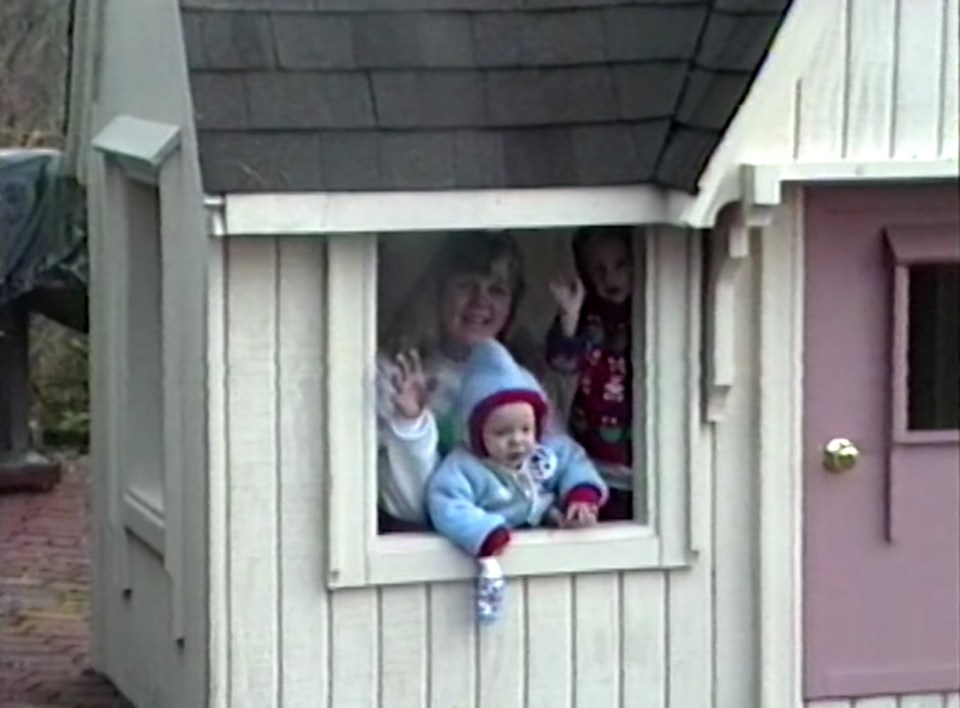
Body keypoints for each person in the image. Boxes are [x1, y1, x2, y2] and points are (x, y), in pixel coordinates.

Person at [426, 339, 607, 622]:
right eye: (502, 432)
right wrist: (483, 533)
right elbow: (445, 502)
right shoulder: (465, 468)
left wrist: (581, 494)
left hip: (546, 543)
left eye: (526, 428)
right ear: (475, 433)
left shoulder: (542, 454)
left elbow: (573, 460)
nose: (518, 441)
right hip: (496, 546)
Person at [376, 231, 526, 532]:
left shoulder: (523, 377)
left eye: (497, 290)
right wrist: (411, 422)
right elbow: (412, 506)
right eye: (466, 286)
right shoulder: (396, 369)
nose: (480, 301)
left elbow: (547, 471)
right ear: (439, 291)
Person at [545, 226, 635, 521]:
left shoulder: (648, 316)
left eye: (620, 265)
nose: (610, 278)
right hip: (592, 466)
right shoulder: (586, 319)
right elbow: (562, 364)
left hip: (639, 465)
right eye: (598, 269)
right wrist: (569, 317)